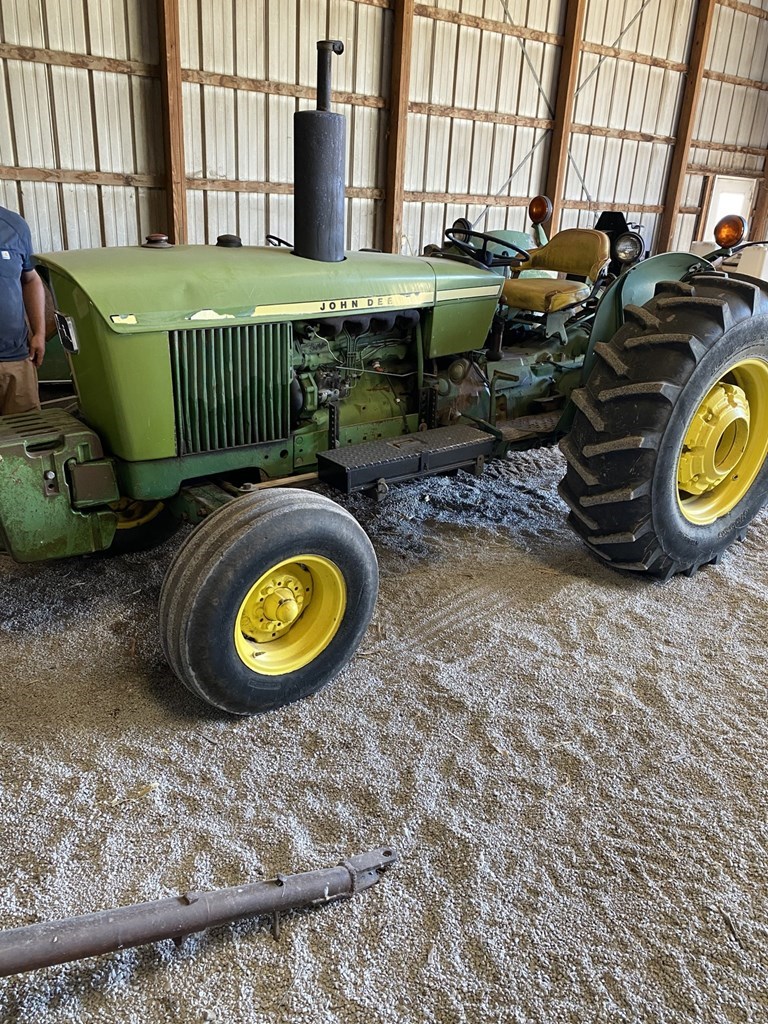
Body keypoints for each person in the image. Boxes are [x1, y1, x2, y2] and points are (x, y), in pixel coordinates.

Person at [0, 205, 46, 416]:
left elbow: (30, 279)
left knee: (26, 435)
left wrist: (39, 333)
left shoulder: (14, 226)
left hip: (15, 359)